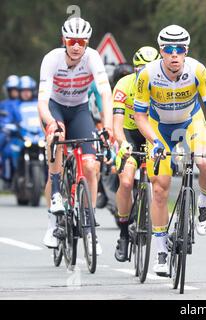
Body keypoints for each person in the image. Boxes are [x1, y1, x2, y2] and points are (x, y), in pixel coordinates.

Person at [134, 25, 206, 276]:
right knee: (160, 187)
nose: (174, 55)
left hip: (191, 122)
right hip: (159, 127)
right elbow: (139, 116)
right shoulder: (147, 75)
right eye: (168, 49)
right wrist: (153, 141)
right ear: (161, 51)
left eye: (179, 49)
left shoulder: (197, 70)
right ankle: (161, 250)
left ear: (186, 51)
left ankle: (204, 205)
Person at [38, 17, 113, 251]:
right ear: (64, 40)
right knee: (57, 140)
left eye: (81, 41)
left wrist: (108, 127)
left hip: (79, 110)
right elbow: (42, 101)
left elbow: (105, 94)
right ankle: (54, 215)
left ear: (87, 42)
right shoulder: (52, 59)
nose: (77, 45)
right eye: (72, 40)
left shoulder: (93, 58)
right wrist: (51, 123)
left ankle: (90, 229)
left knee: (91, 166)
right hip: (54, 107)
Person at [112, 47, 161, 262]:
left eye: (150, 69)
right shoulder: (124, 84)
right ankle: (123, 233)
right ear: (134, 69)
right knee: (125, 181)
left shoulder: (162, 85)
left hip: (152, 135)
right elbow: (117, 124)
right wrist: (122, 143)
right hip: (130, 135)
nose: (145, 73)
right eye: (141, 69)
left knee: (159, 179)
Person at [0, 75, 21, 185]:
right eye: (12, 90)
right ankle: (5, 174)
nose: (15, 92)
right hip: (8, 133)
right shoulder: (4, 104)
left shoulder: (24, 103)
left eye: (17, 89)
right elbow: (3, 120)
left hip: (22, 133)